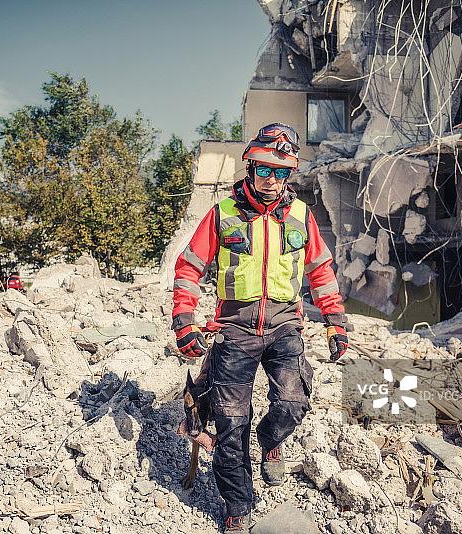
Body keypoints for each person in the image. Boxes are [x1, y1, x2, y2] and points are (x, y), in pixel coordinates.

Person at [171, 123, 348, 533]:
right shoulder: (222, 214)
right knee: (231, 423)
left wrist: (334, 322)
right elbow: (188, 269)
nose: (272, 180)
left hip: (285, 325)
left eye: (282, 172)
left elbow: (321, 271)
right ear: (250, 166)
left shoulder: (302, 216)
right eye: (265, 169)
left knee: (294, 403)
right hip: (233, 330)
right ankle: (238, 505)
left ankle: (271, 441)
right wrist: (185, 322)